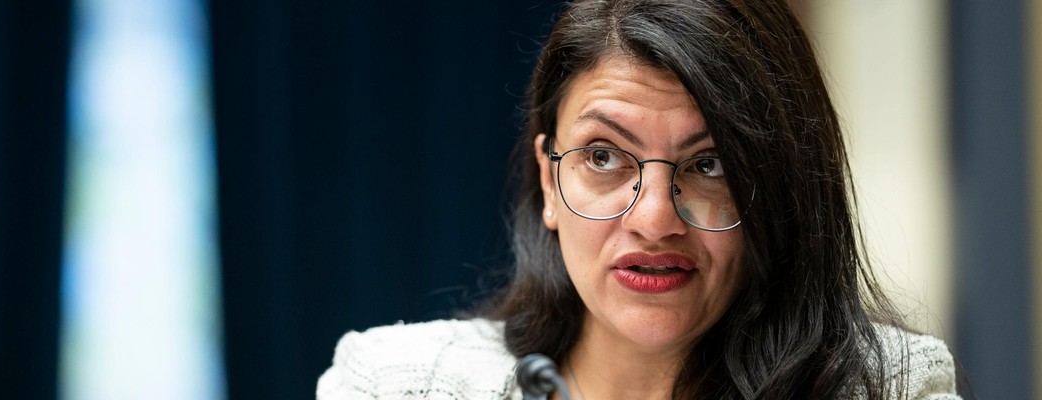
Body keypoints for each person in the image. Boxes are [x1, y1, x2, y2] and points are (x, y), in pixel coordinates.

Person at [317, 0, 960, 398]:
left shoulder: (891, 389)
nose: (653, 219)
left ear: (778, 191)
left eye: (708, 165)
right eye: (603, 157)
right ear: (549, 182)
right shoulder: (390, 384)